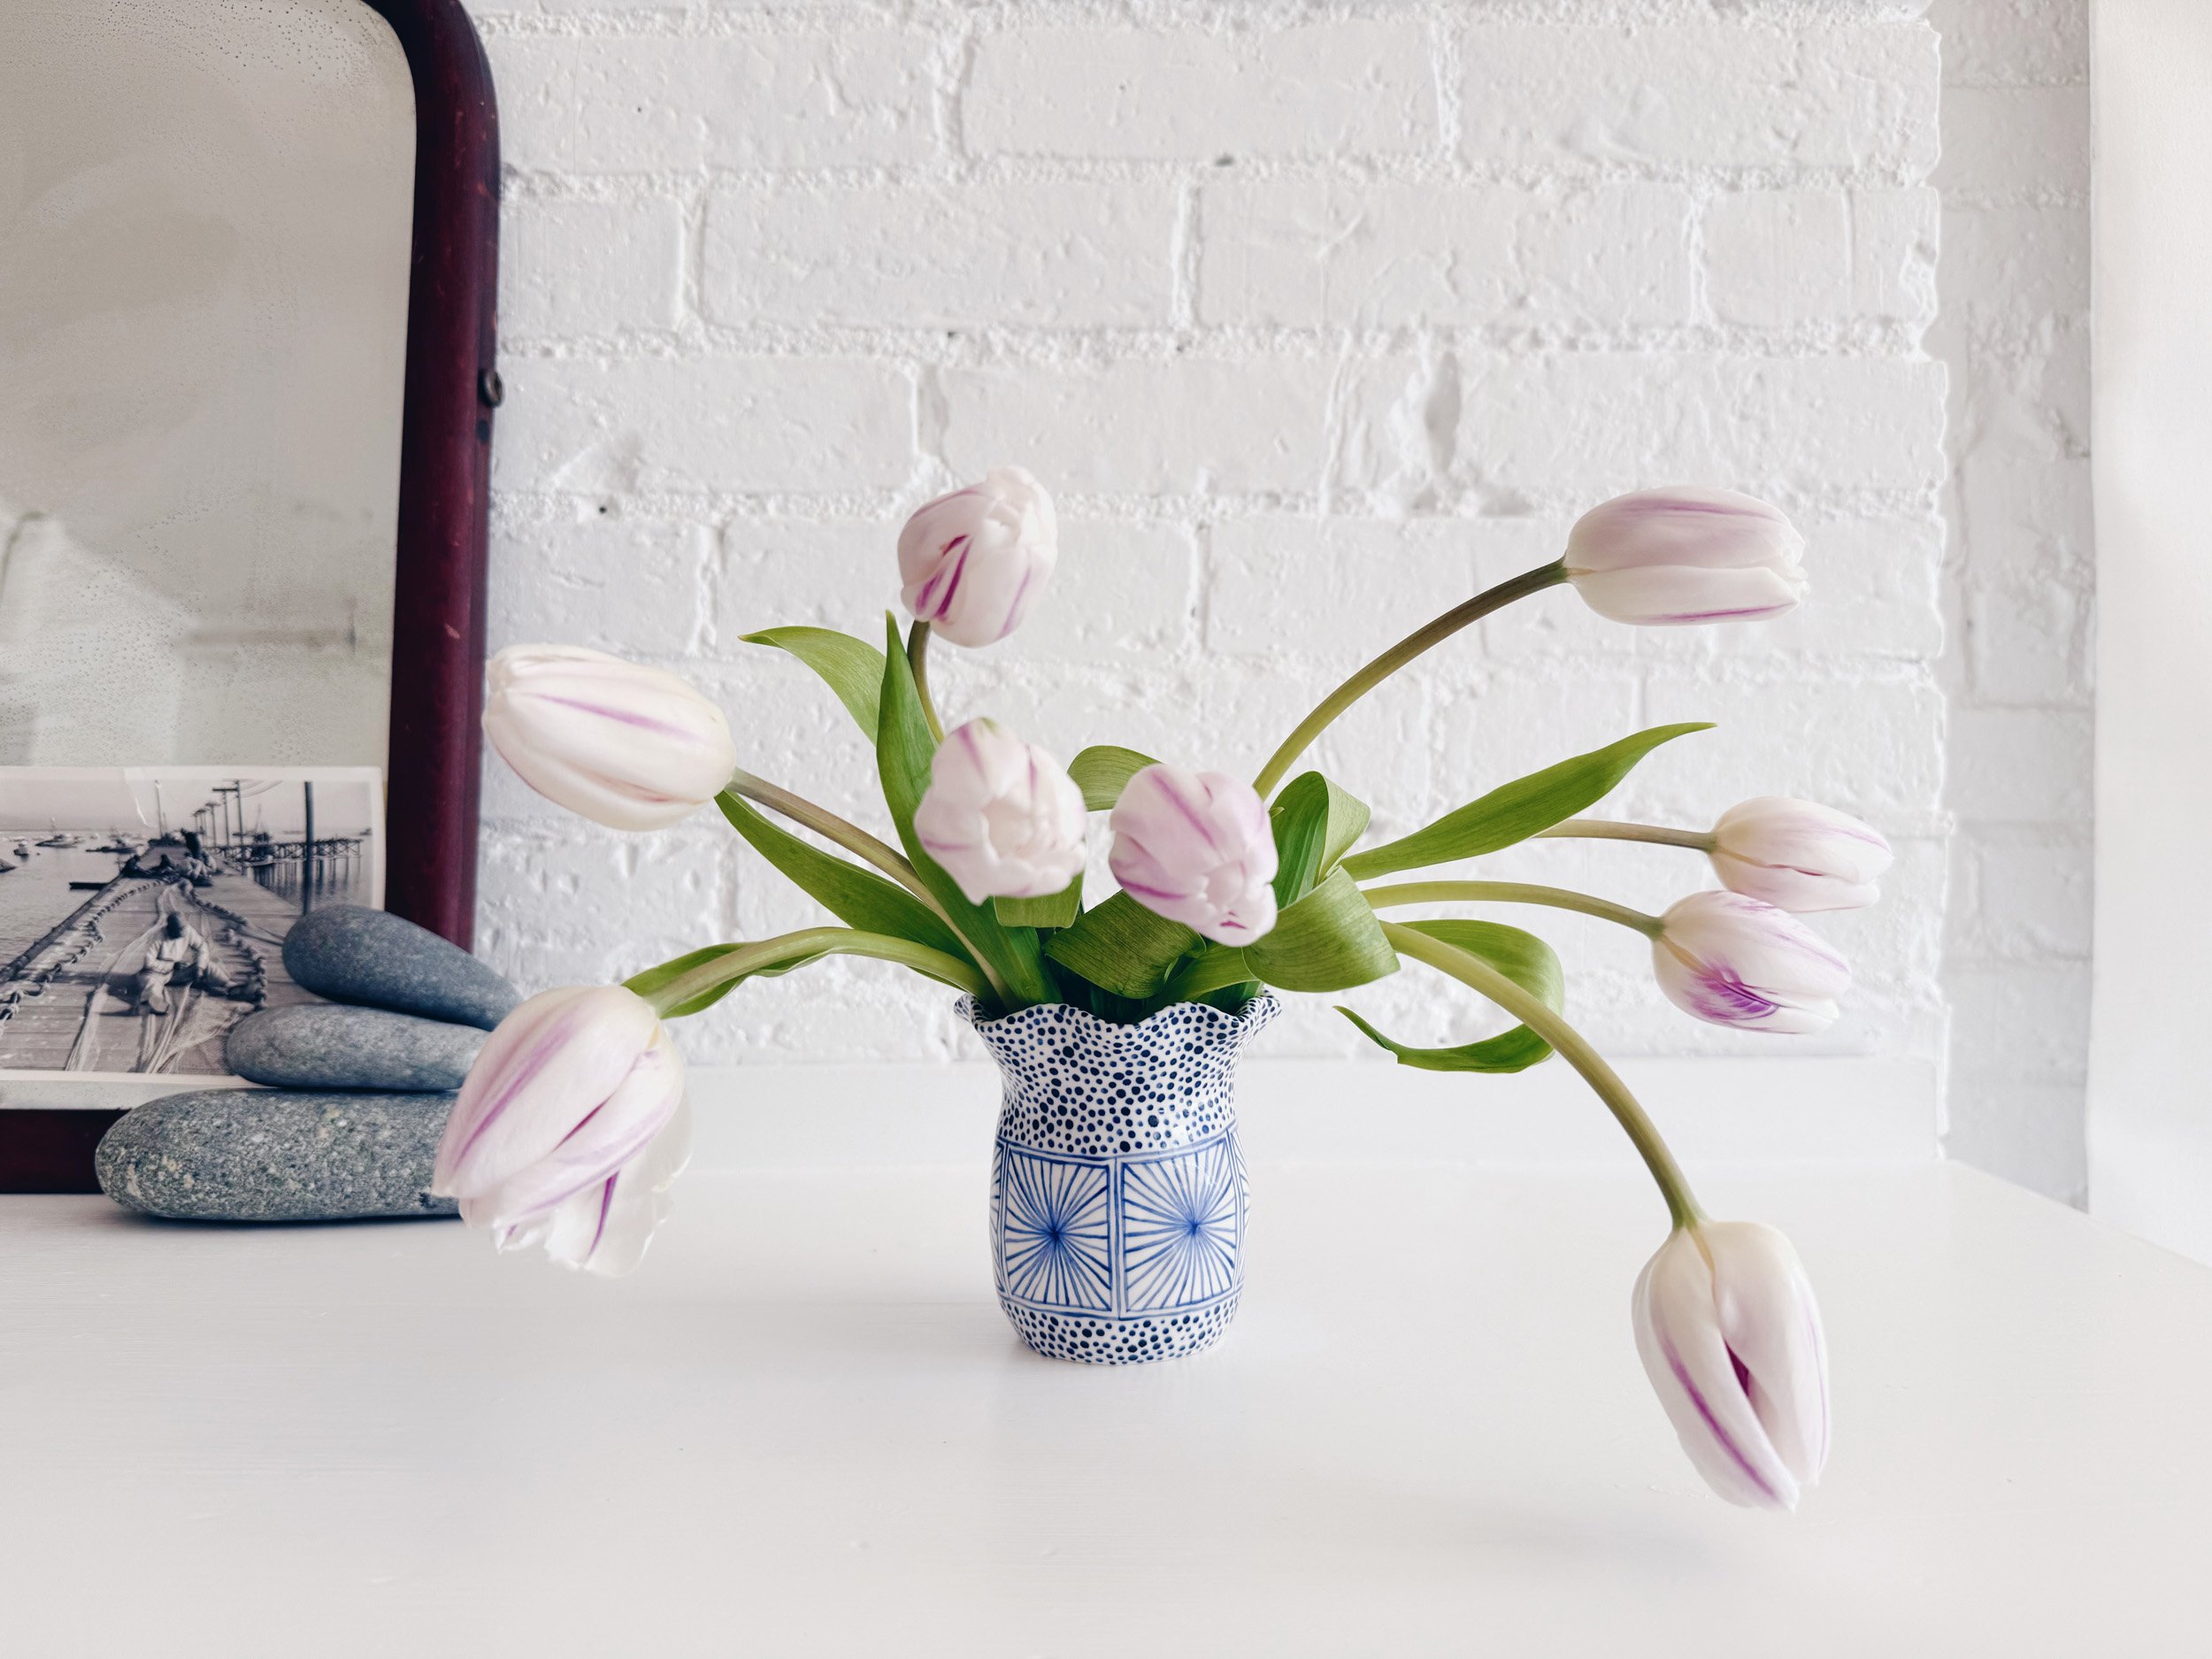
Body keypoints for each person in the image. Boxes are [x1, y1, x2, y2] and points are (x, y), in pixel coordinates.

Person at [134, 911, 211, 1015]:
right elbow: (149, 963)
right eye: (179, 930)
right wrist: (171, 965)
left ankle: (230, 987)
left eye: (183, 928)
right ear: (170, 927)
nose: (183, 933)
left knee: (208, 966)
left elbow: (202, 947)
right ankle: (155, 1006)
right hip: (155, 973)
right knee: (151, 984)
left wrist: (200, 967)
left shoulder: (187, 930)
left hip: (177, 973)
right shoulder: (157, 937)